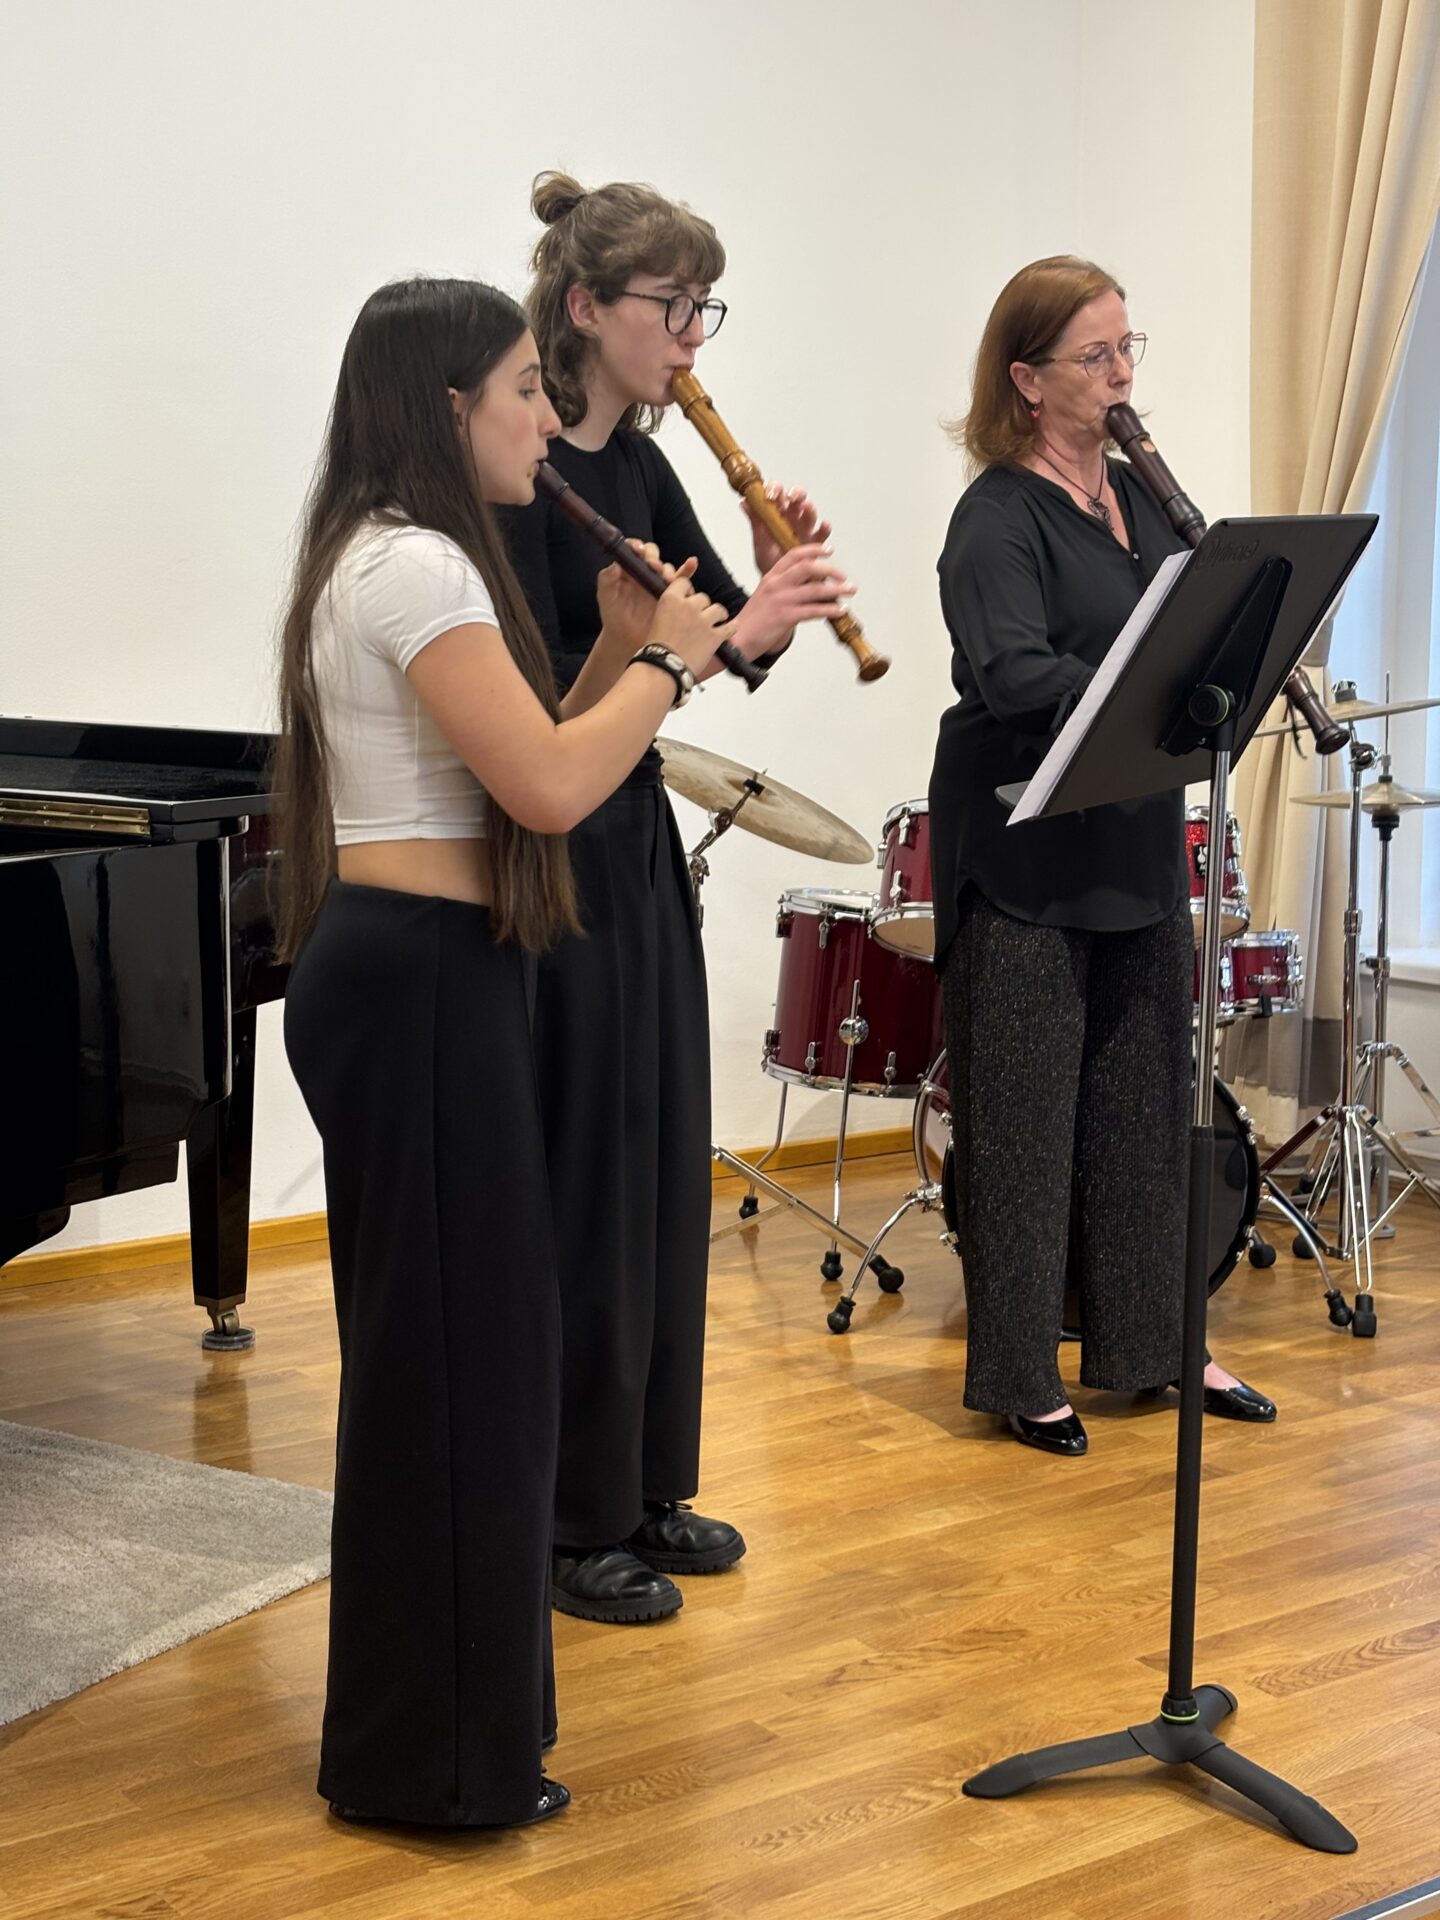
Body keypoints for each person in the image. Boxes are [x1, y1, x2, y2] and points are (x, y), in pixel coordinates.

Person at [276, 276, 731, 1825]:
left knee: (470, 1368)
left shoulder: (387, 554)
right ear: (448, 403)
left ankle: (442, 1743)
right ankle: (434, 1771)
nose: (548, 420)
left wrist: (614, 654)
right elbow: (545, 790)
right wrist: (670, 665)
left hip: (421, 974)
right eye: (527, 389)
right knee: (459, 1383)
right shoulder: (414, 566)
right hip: (417, 983)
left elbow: (520, 761)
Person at [504, 172, 854, 1623]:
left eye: (707, 308)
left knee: (659, 1162)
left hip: (635, 833)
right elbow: (548, 692)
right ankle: (569, 1517)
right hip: (552, 846)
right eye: (674, 307)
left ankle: (648, 1485)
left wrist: (769, 598)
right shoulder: (517, 476)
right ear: (588, 308)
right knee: (585, 1177)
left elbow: (713, 652)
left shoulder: (646, 473)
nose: (694, 337)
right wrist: (720, 633)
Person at [927, 255, 1277, 1458]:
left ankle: (1153, 1346)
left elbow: (1190, 636)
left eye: (1129, 348)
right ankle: (1020, 1374)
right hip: (1024, 850)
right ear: (1028, 380)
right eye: (1096, 354)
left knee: (1144, 1114)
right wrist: (1153, 686)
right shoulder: (994, 518)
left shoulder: (1142, 497)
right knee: (1023, 1129)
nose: (1123, 372)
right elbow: (1014, 672)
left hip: (1132, 836)